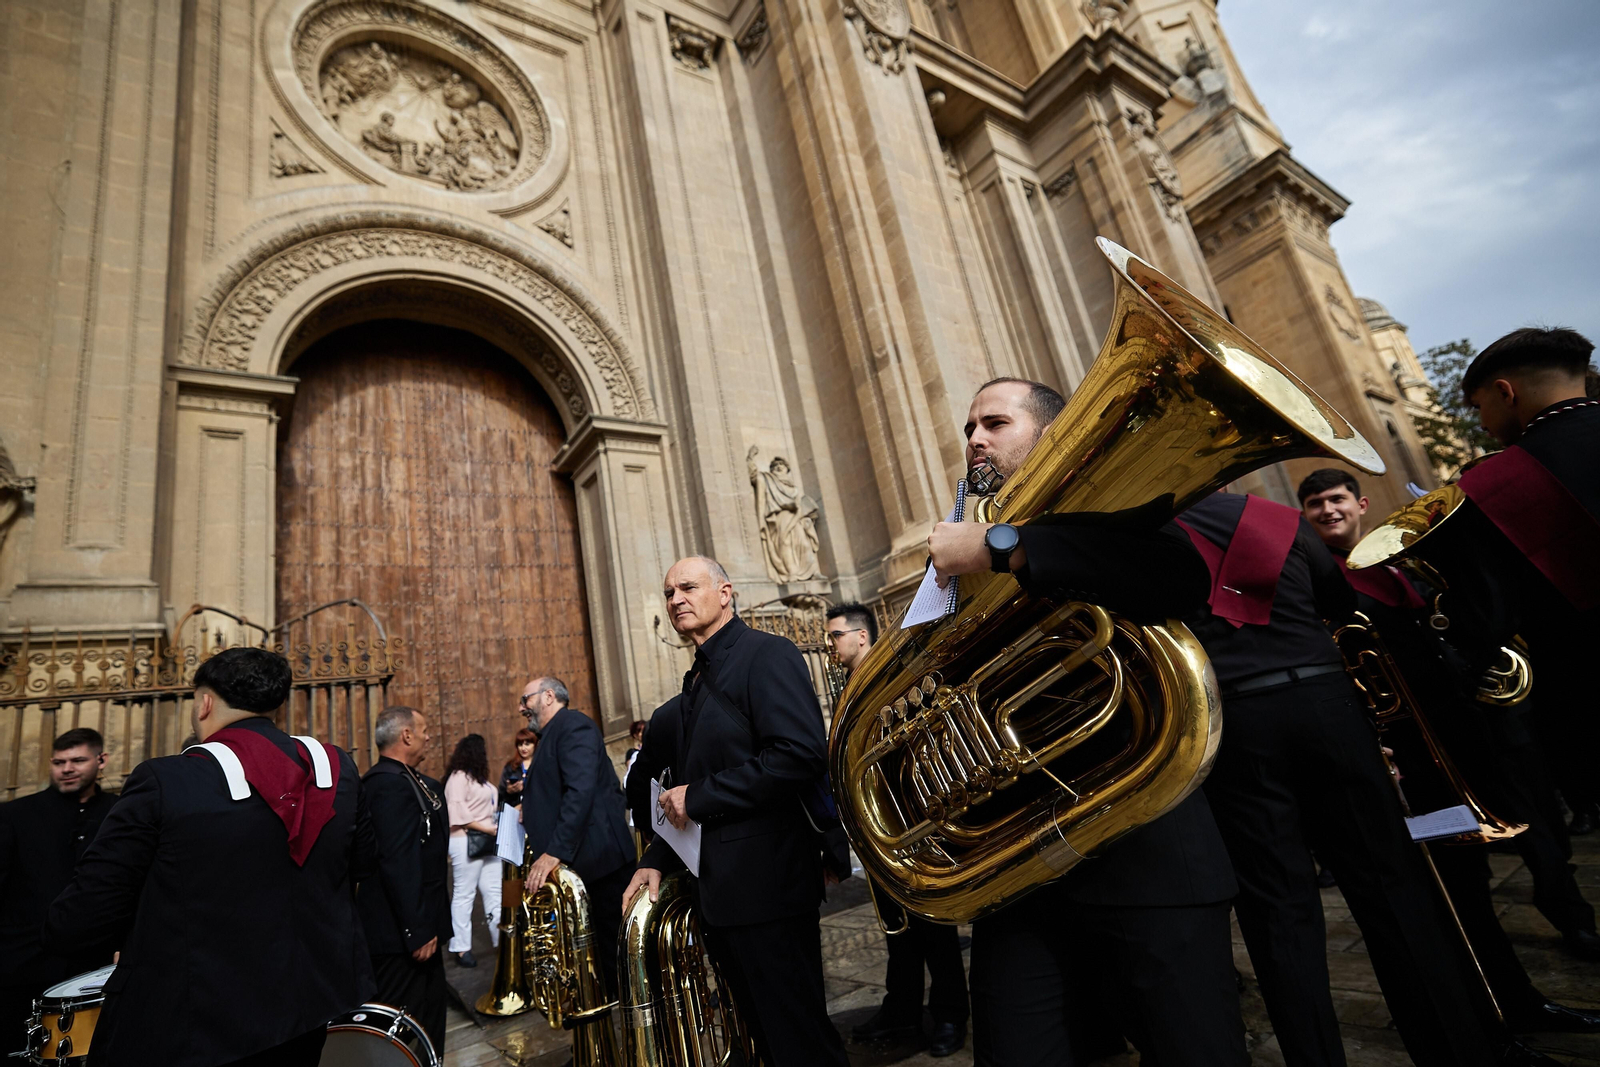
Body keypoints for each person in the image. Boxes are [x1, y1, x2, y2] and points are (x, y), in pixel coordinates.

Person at [926, 378, 1247, 1067]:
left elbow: (1178, 576)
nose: (974, 438)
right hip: (1017, 865)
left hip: (1143, 855)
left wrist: (1000, 545)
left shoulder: (1111, 506)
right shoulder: (961, 548)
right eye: (969, 427)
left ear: (1049, 433)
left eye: (994, 422)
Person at [1179, 484, 1548, 1067]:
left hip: (1232, 723)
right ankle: (1460, 1052)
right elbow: (1335, 599)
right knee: (1393, 887)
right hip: (1328, 709)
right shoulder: (1277, 518)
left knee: (1279, 912)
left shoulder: (1140, 532)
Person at [1299, 467, 1600, 1030]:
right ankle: (1502, 1008)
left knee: (1500, 861)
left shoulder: (1400, 562)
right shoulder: (1324, 582)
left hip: (1468, 737)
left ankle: (1521, 992)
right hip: (1416, 761)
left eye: (1335, 498)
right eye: (1314, 504)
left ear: (1359, 503)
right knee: (1459, 889)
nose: (1327, 511)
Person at [45, 648, 374, 1066]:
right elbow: (362, 865)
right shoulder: (336, 768)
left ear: (204, 703)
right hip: (309, 1006)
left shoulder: (166, 780)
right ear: (275, 705)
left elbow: (82, 916)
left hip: (196, 1022)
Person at [623, 556, 850, 1067]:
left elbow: (799, 753)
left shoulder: (767, 654)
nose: (675, 599)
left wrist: (698, 796)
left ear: (725, 592)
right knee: (765, 1042)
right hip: (721, 896)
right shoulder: (695, 682)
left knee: (802, 1042)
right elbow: (675, 794)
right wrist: (656, 856)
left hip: (769, 887)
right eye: (668, 593)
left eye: (687, 587)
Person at [1447, 329, 1600, 842]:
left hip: (1582, 688)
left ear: (1505, 392)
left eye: (1479, 407)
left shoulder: (1494, 484)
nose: (1483, 423)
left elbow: (1487, 615)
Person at [829, 602, 969, 1058]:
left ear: (861, 636)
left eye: (835, 636)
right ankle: (902, 1009)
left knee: (934, 926)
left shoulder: (894, 675)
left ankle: (950, 1013)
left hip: (913, 820)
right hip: (875, 825)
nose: (829, 645)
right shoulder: (846, 688)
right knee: (896, 929)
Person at [518, 676, 636, 997]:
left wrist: (554, 851)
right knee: (600, 958)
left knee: (617, 959)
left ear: (548, 696)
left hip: (601, 864)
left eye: (525, 699)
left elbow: (580, 790)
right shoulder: (553, 734)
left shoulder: (573, 726)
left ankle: (630, 1036)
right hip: (587, 867)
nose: (521, 708)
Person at [0, 728, 116, 1051]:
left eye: (78, 760)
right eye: (59, 761)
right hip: (22, 966)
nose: (66, 769)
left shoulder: (118, 813)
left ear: (101, 760)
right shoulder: (15, 815)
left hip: (95, 966)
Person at [357, 705, 451, 1054]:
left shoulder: (410, 780)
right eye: (423, 730)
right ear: (406, 735)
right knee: (402, 1032)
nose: (429, 736)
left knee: (428, 1025)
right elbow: (398, 861)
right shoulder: (386, 786)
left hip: (420, 930)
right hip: (402, 940)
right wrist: (418, 928)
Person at [443, 734, 501, 969]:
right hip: (465, 841)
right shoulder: (458, 778)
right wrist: (486, 828)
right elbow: (456, 814)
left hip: (487, 841)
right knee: (464, 894)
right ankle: (461, 947)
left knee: (494, 891)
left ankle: (501, 942)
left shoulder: (480, 780)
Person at [498, 727, 537, 810]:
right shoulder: (510, 767)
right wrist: (508, 791)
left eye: (527, 744)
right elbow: (500, 795)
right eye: (520, 744)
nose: (523, 748)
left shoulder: (540, 764)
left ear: (535, 745)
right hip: (514, 811)